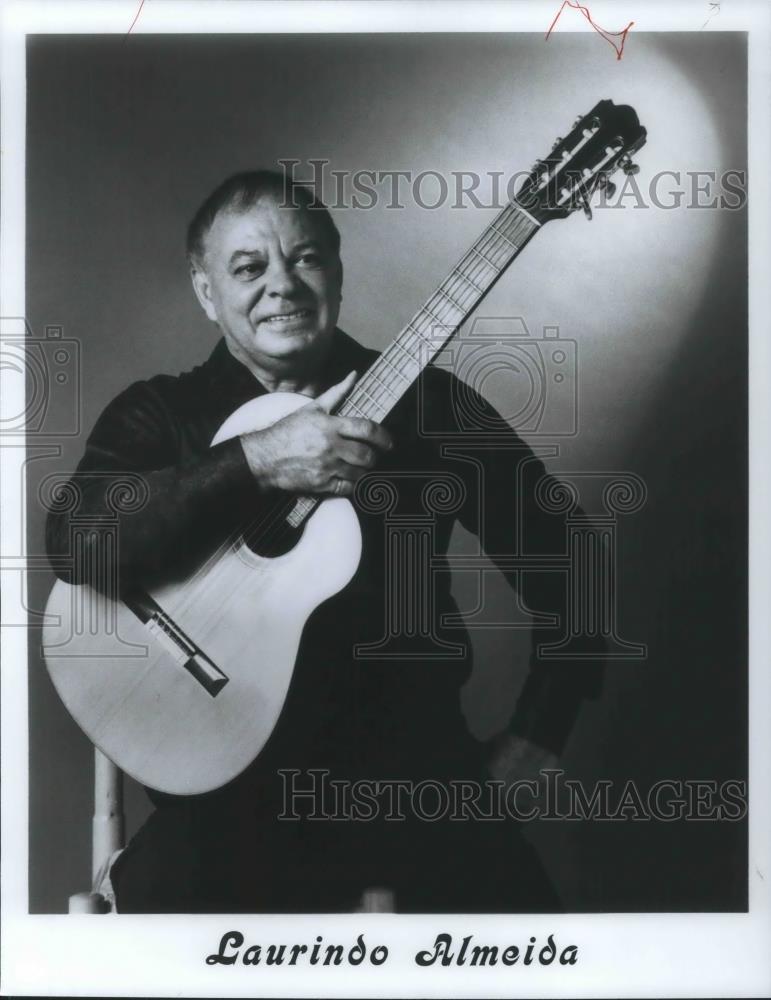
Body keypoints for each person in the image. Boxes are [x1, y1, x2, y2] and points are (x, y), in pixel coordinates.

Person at [46, 170, 602, 914]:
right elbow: (78, 542)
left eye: (305, 258)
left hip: (415, 791)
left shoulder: (432, 407)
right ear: (207, 291)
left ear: (337, 270)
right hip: (228, 805)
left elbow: (570, 558)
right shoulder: (162, 414)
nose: (282, 285)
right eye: (248, 268)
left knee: (539, 968)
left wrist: (541, 732)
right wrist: (253, 459)